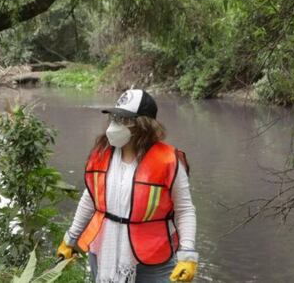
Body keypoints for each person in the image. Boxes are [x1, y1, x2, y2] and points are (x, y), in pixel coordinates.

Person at [57, 89, 199, 282]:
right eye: (114, 117)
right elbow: (90, 199)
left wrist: (187, 254)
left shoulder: (168, 160)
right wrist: (70, 239)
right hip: (103, 249)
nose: (115, 124)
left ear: (143, 125)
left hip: (152, 256)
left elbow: (184, 210)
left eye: (124, 119)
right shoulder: (101, 154)